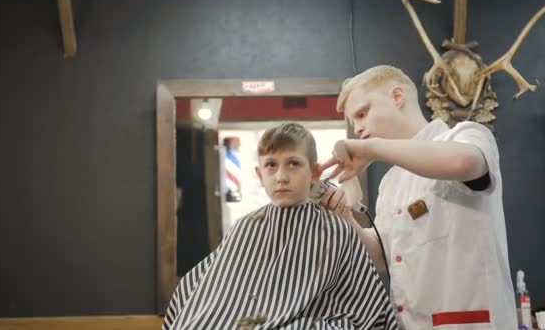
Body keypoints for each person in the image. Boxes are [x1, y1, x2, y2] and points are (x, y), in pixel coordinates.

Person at [319, 65, 517, 329]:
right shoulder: (389, 184)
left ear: (397, 96)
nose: (359, 129)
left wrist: (373, 148)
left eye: (363, 114)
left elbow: (466, 163)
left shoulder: (463, 136)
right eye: (354, 123)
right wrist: (346, 218)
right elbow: (380, 257)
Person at [163, 123, 398, 330]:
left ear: (315, 173)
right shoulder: (245, 227)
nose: (281, 176)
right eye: (271, 165)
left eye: (294, 164)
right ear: (259, 173)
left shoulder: (335, 229)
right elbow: (205, 293)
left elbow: (366, 308)